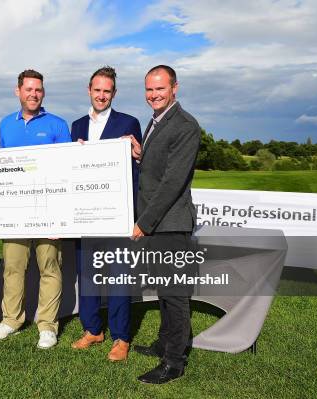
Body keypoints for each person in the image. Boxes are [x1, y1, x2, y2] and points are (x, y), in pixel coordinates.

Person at [0, 69, 71, 349]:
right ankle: (11, 320)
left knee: (49, 267)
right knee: (13, 267)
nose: (34, 94)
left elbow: (66, 172)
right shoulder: (6, 125)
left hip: (48, 211)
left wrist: (60, 217)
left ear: (43, 92)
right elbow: (0, 168)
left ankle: (47, 325)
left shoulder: (58, 125)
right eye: (29, 89)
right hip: (15, 211)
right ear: (18, 91)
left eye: (38, 90)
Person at [129, 65, 201, 384]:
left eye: (160, 89)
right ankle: (164, 342)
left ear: (175, 88)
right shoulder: (157, 120)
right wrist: (141, 156)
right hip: (159, 223)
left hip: (169, 224)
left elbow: (173, 182)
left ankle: (174, 361)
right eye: (149, 89)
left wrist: (143, 223)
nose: (154, 95)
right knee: (163, 289)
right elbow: (159, 167)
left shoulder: (185, 125)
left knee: (175, 293)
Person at [70, 66, 142, 361]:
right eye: (97, 90)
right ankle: (92, 329)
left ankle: (121, 337)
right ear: (89, 90)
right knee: (87, 275)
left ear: (114, 93)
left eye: (107, 91)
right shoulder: (76, 126)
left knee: (119, 277)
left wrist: (137, 154)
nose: (101, 95)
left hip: (117, 215)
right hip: (86, 215)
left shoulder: (129, 122)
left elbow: (138, 168)